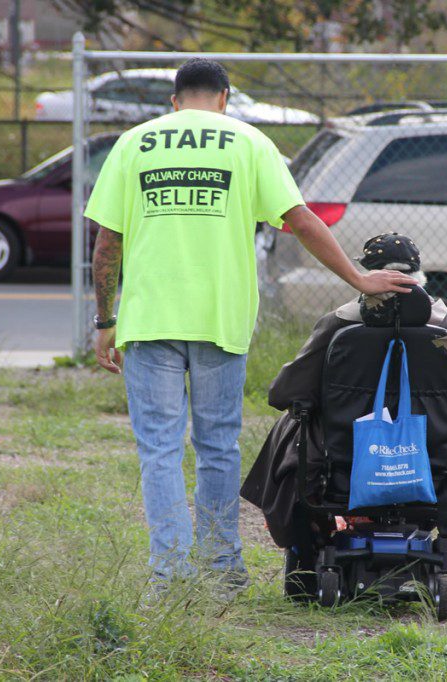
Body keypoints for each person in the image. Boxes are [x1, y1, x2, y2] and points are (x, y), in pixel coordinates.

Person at [85, 59, 418, 592]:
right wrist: (359, 277)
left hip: (148, 320)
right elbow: (302, 220)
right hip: (221, 316)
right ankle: (221, 571)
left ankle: (168, 578)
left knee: (160, 451)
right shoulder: (248, 141)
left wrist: (105, 320)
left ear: (174, 101)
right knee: (217, 446)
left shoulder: (135, 143)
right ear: (224, 97)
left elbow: (107, 242)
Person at [240, 233, 447, 560]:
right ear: (419, 276)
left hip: (345, 467)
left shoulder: (336, 327)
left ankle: (307, 540)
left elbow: (284, 393)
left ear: (367, 276)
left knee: (290, 423)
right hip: (432, 467)